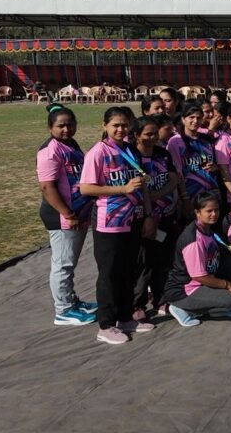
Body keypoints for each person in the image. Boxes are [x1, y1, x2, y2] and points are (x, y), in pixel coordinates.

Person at [80, 107, 155, 344]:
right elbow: (86, 188)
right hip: (109, 223)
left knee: (128, 271)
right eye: (115, 125)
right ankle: (106, 324)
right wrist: (122, 189)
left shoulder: (130, 150)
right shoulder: (98, 152)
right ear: (105, 126)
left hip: (133, 219)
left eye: (124, 125)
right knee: (109, 274)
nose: (121, 129)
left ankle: (125, 317)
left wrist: (148, 214)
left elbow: (141, 185)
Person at [164, 192, 231, 328]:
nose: (214, 214)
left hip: (205, 280)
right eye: (209, 211)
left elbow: (214, 250)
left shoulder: (207, 229)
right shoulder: (193, 239)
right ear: (197, 212)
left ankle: (218, 308)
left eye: (216, 210)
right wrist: (229, 285)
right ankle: (183, 308)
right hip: (184, 290)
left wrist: (230, 248)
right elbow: (199, 276)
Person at [37, 104, 96, 326]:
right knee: (63, 264)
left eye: (70, 124)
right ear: (50, 127)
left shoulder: (70, 144)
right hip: (62, 216)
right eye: (61, 126)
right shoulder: (49, 151)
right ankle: (63, 310)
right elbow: (47, 187)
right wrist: (68, 214)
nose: (66, 129)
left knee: (70, 262)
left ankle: (71, 301)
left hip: (77, 213)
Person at [131, 115, 180, 319]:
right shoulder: (131, 157)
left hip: (165, 216)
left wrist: (157, 195)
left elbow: (173, 179)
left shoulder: (162, 154)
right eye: (147, 134)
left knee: (163, 260)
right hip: (142, 218)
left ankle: (161, 299)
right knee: (143, 263)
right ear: (136, 135)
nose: (152, 138)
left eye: (154, 133)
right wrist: (148, 210)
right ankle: (137, 305)